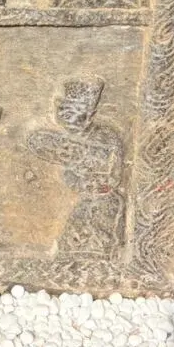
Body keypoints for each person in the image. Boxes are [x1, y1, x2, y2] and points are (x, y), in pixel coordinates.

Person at [26, 79, 124, 264]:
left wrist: (104, 183)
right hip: (86, 198)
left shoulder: (108, 138)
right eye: (64, 113)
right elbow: (68, 174)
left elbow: (115, 172)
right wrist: (80, 181)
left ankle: (102, 259)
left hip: (104, 200)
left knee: (98, 238)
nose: (68, 121)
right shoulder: (68, 144)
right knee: (74, 239)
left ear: (90, 115)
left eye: (74, 114)